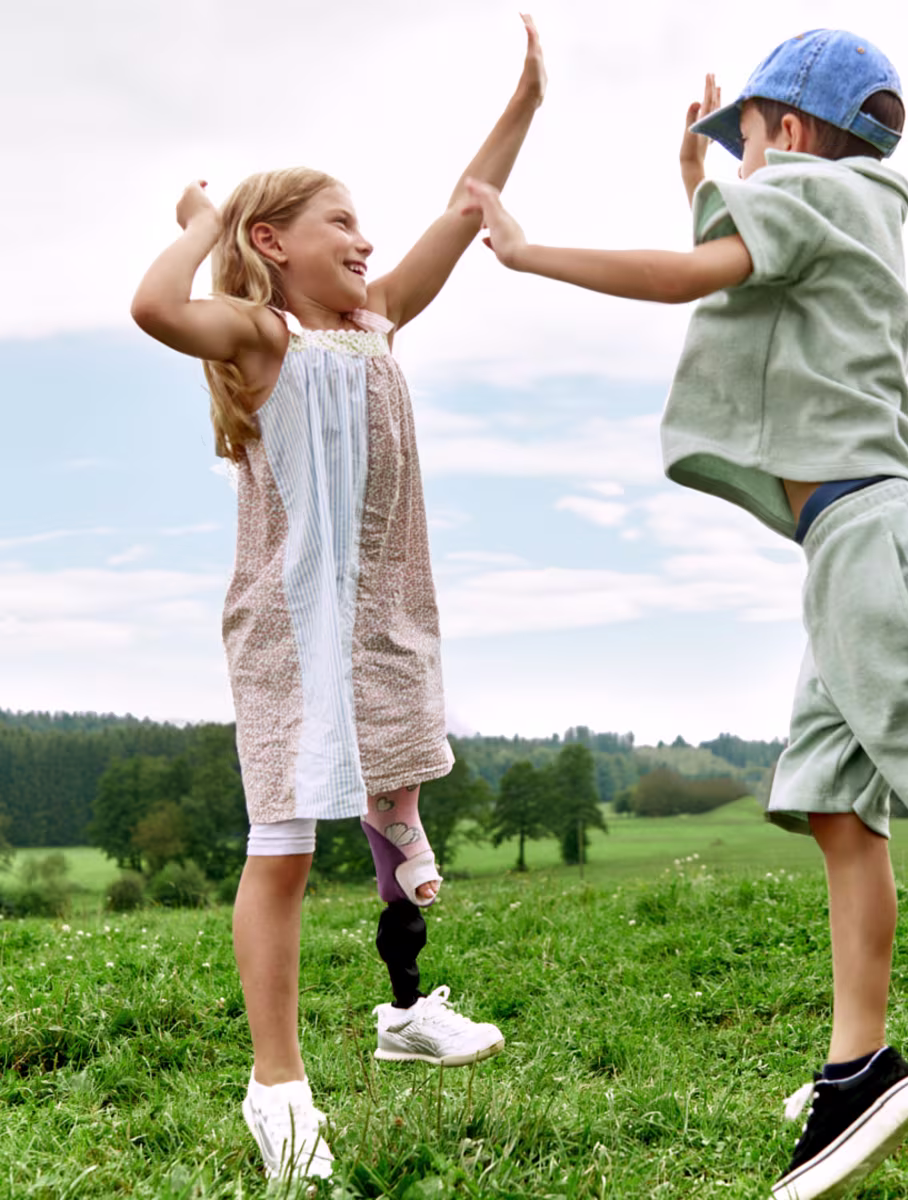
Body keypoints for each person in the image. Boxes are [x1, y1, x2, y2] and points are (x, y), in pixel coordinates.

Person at [460, 27, 908, 1200]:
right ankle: (860, 1068)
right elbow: (741, 237)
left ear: (792, 136)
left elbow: (699, 271)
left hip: (872, 543)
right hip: (846, 548)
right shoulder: (841, 204)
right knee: (831, 800)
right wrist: (705, 177)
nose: (741, 175)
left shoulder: (814, 194)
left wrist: (529, 249)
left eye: (746, 143)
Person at [130, 15, 546, 1182]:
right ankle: (280, 1092)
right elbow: (157, 308)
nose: (367, 240)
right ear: (274, 242)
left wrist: (525, 106)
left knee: (400, 793)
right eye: (342, 221)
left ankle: (407, 1011)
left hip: (388, 618)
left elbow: (465, 210)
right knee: (285, 848)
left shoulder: (376, 324)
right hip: (291, 628)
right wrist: (204, 221)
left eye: (366, 222)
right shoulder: (262, 337)